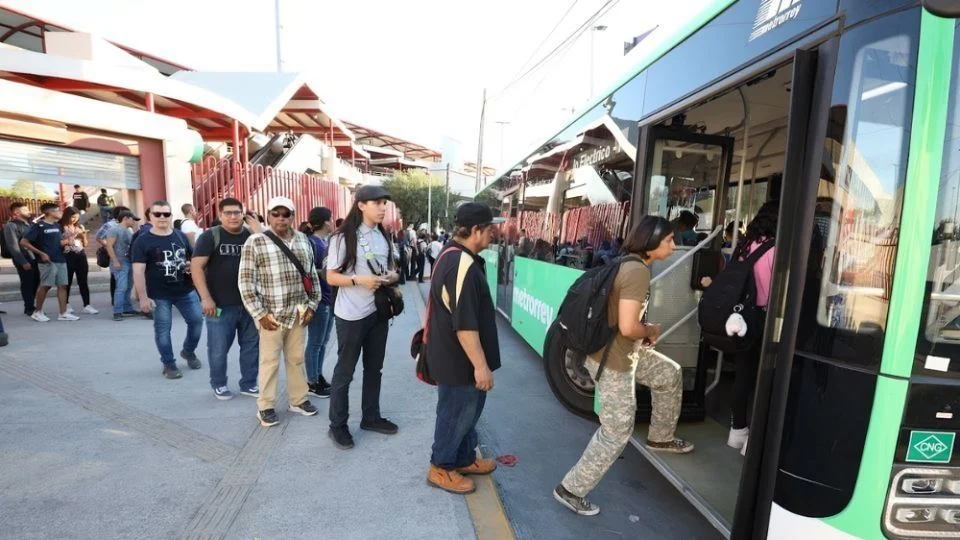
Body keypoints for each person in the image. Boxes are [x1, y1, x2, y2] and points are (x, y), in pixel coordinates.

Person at [555, 216, 693, 516]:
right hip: (613, 363)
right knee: (617, 431)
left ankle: (661, 437)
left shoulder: (626, 263)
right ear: (652, 241)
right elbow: (630, 327)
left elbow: (620, 319)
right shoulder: (637, 272)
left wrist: (637, 334)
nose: (674, 245)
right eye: (669, 240)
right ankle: (570, 489)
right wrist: (650, 330)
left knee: (669, 373)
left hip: (617, 354)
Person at [426, 203, 503, 495]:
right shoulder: (462, 264)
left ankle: (464, 458)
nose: (493, 234)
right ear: (474, 231)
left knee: (467, 412)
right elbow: (465, 325)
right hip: (459, 359)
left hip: (457, 356)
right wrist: (480, 365)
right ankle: (441, 467)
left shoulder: (454, 255)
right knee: (456, 413)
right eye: (489, 229)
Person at [325, 185, 401, 449]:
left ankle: (370, 417)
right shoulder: (343, 237)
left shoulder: (383, 235)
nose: (382, 208)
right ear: (361, 205)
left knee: (374, 369)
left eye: (384, 203)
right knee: (345, 372)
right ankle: (337, 425)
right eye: (376, 203)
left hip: (378, 313)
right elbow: (331, 276)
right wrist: (358, 279)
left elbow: (392, 269)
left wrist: (392, 276)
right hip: (351, 315)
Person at [239, 196, 320, 427]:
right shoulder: (255, 241)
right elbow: (245, 282)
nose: (281, 219)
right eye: (276, 214)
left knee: (296, 359)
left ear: (293, 216)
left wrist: (312, 305)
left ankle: (298, 399)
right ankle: (265, 406)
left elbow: (311, 274)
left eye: (286, 214)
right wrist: (260, 314)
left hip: (298, 312)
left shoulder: (304, 239)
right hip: (271, 315)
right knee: (269, 362)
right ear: (269, 215)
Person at [193, 198, 261, 400]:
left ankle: (248, 383)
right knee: (218, 348)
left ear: (243, 215)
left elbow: (269, 256)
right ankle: (219, 383)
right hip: (220, 305)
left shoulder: (252, 235)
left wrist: (258, 230)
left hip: (251, 304)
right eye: (228, 213)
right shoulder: (210, 236)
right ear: (220, 215)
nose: (233, 217)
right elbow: (196, 268)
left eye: (237, 213)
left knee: (251, 347)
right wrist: (205, 298)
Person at [727, 201, 777, 455]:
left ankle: (737, 431)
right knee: (765, 380)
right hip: (765, 319)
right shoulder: (776, 249)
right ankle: (752, 441)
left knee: (743, 376)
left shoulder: (744, 246)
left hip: (741, 318)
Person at [132, 200, 204, 379]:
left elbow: (192, 259)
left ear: (171, 216)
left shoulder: (180, 236)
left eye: (166, 214)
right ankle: (169, 363)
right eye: (158, 214)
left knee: (196, 322)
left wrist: (189, 265)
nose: (162, 217)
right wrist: (143, 297)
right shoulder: (142, 240)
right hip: (159, 294)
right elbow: (138, 271)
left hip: (185, 290)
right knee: (163, 329)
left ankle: (188, 351)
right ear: (150, 216)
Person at [21, 203, 78, 322]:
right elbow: (24, 242)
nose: (61, 213)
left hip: (61, 259)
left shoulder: (57, 226)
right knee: (46, 286)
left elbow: (57, 243)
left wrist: (69, 241)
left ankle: (63, 313)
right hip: (47, 261)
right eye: (58, 211)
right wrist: (41, 253)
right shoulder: (39, 226)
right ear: (50, 212)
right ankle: (37, 312)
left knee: (63, 285)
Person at [305, 206, 336, 398]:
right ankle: (311, 381)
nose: (333, 222)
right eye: (331, 219)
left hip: (329, 298)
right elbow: (307, 271)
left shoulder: (324, 242)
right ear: (325, 222)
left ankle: (318, 375)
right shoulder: (312, 243)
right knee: (315, 342)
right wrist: (328, 274)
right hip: (319, 299)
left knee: (323, 342)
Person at [59, 207, 98, 315]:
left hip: (80, 255)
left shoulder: (80, 226)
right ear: (66, 215)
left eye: (76, 217)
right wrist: (73, 236)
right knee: (67, 282)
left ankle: (87, 305)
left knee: (83, 281)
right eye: (72, 217)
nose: (74, 220)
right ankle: (65, 304)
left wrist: (84, 236)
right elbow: (58, 243)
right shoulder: (60, 227)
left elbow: (85, 244)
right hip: (67, 256)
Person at [4, 202, 38, 316]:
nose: (29, 211)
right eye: (25, 209)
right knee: (27, 283)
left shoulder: (30, 224)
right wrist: (23, 261)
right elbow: (12, 246)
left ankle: (31, 304)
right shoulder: (11, 226)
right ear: (16, 212)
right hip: (23, 258)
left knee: (35, 282)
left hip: (35, 258)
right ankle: (29, 307)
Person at [105, 210, 139, 321]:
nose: (134, 221)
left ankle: (127, 308)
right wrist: (115, 261)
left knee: (128, 286)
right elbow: (109, 246)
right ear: (125, 218)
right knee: (122, 287)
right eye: (132, 219)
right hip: (120, 261)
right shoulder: (114, 229)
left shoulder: (128, 230)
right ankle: (117, 311)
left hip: (128, 261)